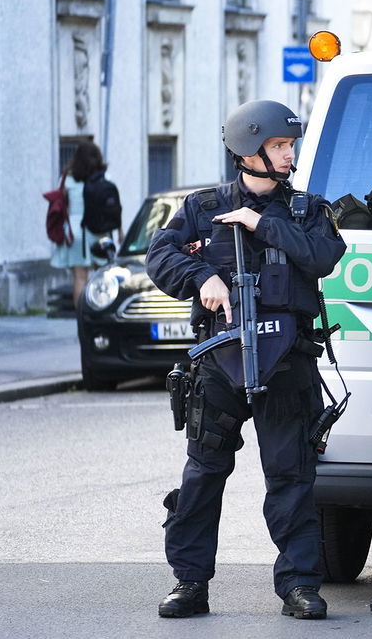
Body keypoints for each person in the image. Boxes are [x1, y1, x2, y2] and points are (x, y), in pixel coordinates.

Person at [146, 99, 346, 619]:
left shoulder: (306, 210)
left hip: (287, 362)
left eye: (289, 145)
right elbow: (159, 254)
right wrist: (201, 277)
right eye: (279, 146)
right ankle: (190, 582)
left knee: (291, 477)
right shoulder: (202, 207)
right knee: (203, 472)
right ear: (247, 151)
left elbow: (324, 256)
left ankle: (299, 585)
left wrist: (261, 225)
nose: (289, 154)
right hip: (219, 362)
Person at [50, 139, 118, 305]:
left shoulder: (68, 179)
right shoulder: (105, 177)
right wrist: (120, 231)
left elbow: (62, 204)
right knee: (102, 276)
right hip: (99, 230)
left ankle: (82, 320)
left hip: (76, 232)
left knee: (79, 278)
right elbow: (113, 207)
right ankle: (99, 315)